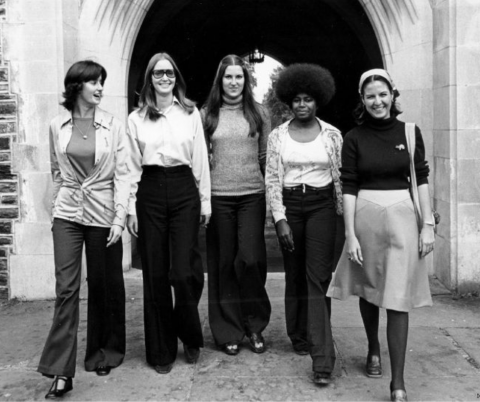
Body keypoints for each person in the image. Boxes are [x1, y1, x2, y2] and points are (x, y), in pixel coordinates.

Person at [327, 68, 435, 402]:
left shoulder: (410, 132)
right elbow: (349, 184)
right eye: (371, 96)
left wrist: (427, 224)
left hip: (403, 220)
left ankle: (398, 384)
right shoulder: (354, 138)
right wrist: (350, 234)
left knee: (398, 298)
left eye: (383, 94)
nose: (378, 101)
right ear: (363, 100)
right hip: (366, 220)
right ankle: (373, 348)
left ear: (393, 95)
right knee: (370, 290)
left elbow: (421, 178)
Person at [38, 60, 129, 399]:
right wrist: (57, 207)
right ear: (77, 86)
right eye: (94, 82)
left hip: (103, 212)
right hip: (67, 214)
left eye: (102, 81)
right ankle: (61, 371)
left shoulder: (113, 126)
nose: (100, 87)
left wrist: (119, 217)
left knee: (103, 285)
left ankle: (103, 353)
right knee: (66, 289)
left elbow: (122, 173)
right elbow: (56, 171)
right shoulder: (56, 124)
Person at [126, 52, 211, 375]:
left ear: (177, 77)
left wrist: (205, 201)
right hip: (149, 189)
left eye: (170, 73)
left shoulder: (190, 113)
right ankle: (160, 349)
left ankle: (188, 333)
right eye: (158, 73)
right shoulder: (136, 119)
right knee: (155, 272)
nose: (165, 78)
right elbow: (131, 165)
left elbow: (200, 157)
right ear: (149, 79)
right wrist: (131, 207)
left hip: (183, 187)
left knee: (183, 271)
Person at [265, 63, 343, 386]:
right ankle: (299, 334)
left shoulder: (333, 135)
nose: (301, 105)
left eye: (308, 99)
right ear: (288, 101)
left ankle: (322, 358)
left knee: (317, 276)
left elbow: (340, 177)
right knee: (294, 272)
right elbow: (272, 178)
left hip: (322, 205)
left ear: (317, 101)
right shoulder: (278, 136)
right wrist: (280, 218)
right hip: (291, 205)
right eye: (296, 99)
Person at [201, 55, 271, 356]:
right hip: (219, 197)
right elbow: (201, 160)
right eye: (228, 77)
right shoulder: (207, 115)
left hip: (251, 195)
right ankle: (228, 330)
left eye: (239, 77)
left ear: (246, 80)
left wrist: (270, 197)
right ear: (221, 80)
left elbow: (267, 157)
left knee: (251, 259)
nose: (233, 82)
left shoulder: (259, 113)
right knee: (224, 263)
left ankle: (254, 324)